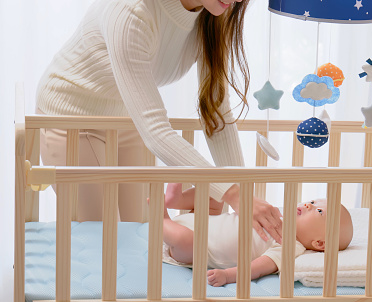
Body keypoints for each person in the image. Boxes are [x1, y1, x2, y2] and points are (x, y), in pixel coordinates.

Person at [35, 0, 282, 241]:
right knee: (102, 240)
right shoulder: (131, 11)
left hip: (127, 118)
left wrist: (242, 195)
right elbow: (155, 130)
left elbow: (215, 112)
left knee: (141, 235)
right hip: (73, 117)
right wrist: (233, 194)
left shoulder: (214, 13)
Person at [161, 183, 354, 287]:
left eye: (319, 211)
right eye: (312, 201)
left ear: (319, 243)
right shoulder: (275, 215)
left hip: (193, 247)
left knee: (187, 241)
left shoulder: (289, 246)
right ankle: (177, 200)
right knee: (217, 193)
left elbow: (257, 268)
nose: (308, 205)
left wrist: (228, 276)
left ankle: (162, 220)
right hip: (204, 219)